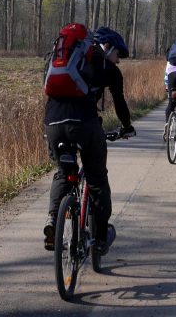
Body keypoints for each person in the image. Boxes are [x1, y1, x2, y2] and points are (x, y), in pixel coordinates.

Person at [43, 26, 135, 255]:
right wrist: (126, 127)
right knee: (96, 178)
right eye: (118, 55)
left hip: (53, 123)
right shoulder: (108, 69)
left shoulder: (58, 61)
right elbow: (120, 103)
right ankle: (101, 236)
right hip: (84, 124)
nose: (119, 61)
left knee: (64, 173)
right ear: (108, 47)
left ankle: (53, 221)